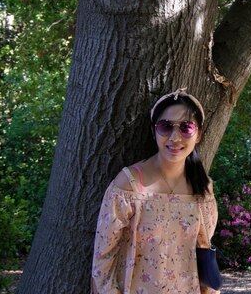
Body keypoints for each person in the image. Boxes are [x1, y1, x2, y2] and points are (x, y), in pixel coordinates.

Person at [92, 88, 219, 293]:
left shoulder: (203, 189)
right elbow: (103, 257)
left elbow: (203, 250)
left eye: (186, 127)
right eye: (165, 126)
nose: (175, 137)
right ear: (154, 131)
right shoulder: (129, 185)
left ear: (199, 134)